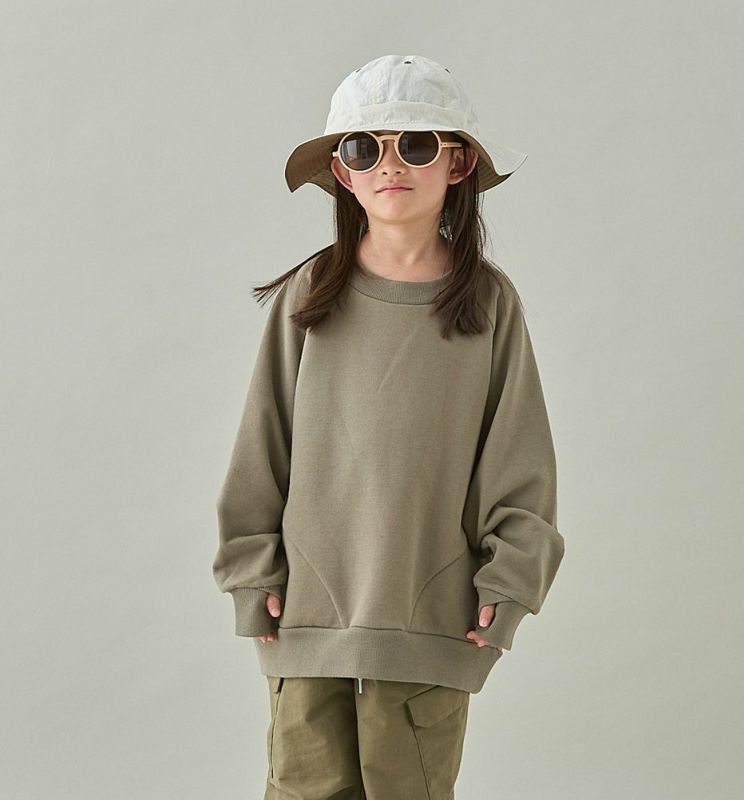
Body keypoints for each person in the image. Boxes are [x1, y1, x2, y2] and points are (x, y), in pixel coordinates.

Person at [212, 54, 566, 800]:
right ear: (342, 173)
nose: (389, 165)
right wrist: (252, 573)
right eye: (363, 148)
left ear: (458, 163)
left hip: (431, 619)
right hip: (307, 617)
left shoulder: (489, 306)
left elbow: (519, 461)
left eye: (415, 144)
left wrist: (508, 584)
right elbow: (261, 446)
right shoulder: (308, 297)